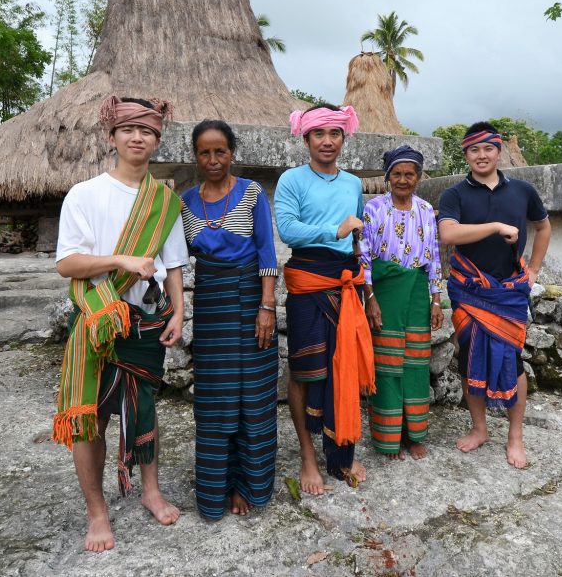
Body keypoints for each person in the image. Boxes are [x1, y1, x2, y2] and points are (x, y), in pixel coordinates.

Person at [53, 95, 187, 552]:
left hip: (146, 321)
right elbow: (67, 263)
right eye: (128, 129)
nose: (137, 137)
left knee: (144, 407)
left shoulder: (164, 201)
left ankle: (150, 490)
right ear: (112, 137)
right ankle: (97, 512)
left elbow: (173, 266)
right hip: (96, 319)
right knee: (90, 419)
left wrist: (179, 313)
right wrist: (120, 259)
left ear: (156, 140)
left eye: (146, 131)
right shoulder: (85, 194)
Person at [178, 119, 279, 521]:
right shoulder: (185, 202)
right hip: (212, 307)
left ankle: (248, 486)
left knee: (252, 396)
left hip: (253, 301)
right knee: (217, 397)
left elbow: (267, 253)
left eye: (220, 151)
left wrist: (267, 306)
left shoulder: (253, 194)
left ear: (232, 152)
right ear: (196, 156)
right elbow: (173, 256)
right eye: (205, 152)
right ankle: (215, 488)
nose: (213, 159)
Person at [437, 121, 551, 469]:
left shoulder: (523, 191)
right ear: (466, 154)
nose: (482, 155)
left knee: (514, 361)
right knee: (470, 354)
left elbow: (543, 226)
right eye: (474, 150)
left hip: (509, 293)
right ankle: (479, 428)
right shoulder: (454, 195)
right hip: (468, 291)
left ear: (499, 151)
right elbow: (448, 234)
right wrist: (496, 227)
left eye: (488, 149)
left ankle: (515, 436)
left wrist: (533, 269)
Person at [274, 103, 373, 494]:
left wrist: (368, 289)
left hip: (347, 283)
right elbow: (288, 230)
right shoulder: (291, 180)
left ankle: (342, 447)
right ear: (306, 138)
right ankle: (308, 457)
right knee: (304, 370)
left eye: (335, 134)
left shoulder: (352, 184)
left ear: (344, 138)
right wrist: (335, 229)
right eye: (319, 134)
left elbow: (358, 238)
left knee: (345, 364)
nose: (327, 141)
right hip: (308, 284)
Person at [360, 145, 443, 460]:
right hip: (385, 293)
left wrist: (436, 300)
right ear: (387, 177)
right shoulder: (374, 210)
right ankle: (387, 438)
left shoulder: (426, 210)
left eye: (410, 174)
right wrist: (370, 298)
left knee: (415, 366)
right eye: (397, 174)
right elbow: (364, 258)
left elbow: (434, 257)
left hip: (418, 294)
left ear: (419, 177)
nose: (403, 180)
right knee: (387, 366)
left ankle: (414, 436)